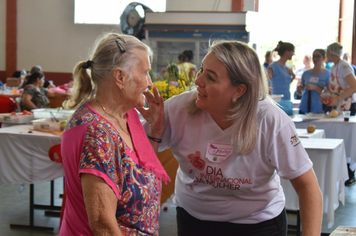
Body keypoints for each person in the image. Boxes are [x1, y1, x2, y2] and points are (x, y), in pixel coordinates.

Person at [139, 40, 322, 236]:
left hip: (258, 223)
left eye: (211, 77)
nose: (197, 81)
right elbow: (137, 160)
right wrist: (154, 134)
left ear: (239, 90)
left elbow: (307, 186)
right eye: (201, 70)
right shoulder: (179, 109)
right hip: (194, 220)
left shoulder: (271, 121)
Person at [59, 32, 170, 235]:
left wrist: (155, 131)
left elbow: (141, 170)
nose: (149, 83)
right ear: (120, 77)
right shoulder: (97, 133)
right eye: (145, 73)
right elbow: (103, 225)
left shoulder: (127, 115)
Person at [325, 42, 356, 186]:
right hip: (339, 104)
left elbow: (354, 86)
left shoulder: (344, 66)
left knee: (346, 137)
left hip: (348, 105)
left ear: (332, 53)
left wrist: (339, 97)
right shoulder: (335, 66)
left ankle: (350, 173)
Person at [297, 49, 330, 114]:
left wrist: (316, 88)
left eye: (318, 56)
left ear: (324, 58)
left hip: (320, 108)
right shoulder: (306, 73)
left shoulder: (327, 74)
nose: (315, 59)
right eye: (314, 56)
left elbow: (330, 93)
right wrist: (299, 88)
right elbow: (300, 91)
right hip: (304, 107)